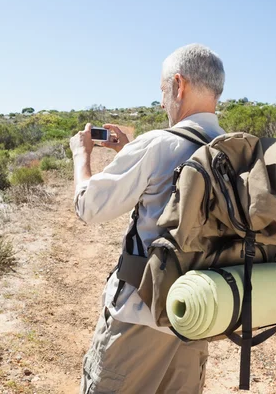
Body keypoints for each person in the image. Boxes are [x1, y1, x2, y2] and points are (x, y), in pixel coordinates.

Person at [70, 43, 226, 394]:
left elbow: (87, 206)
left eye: (162, 91)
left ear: (179, 85)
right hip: (198, 315)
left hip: (140, 318)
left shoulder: (158, 144)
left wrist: (82, 157)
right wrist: (130, 150)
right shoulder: (232, 148)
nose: (161, 102)